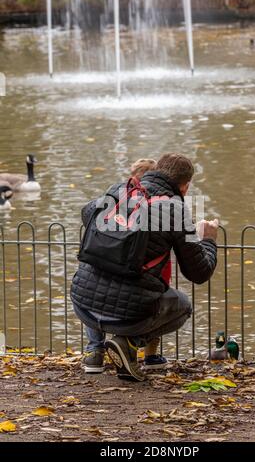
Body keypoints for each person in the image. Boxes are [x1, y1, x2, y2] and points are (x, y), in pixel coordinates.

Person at [71, 153, 218, 382]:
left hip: (83, 303)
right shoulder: (176, 211)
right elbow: (199, 273)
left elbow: (86, 213)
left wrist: (117, 235)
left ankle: (105, 348)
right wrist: (207, 240)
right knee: (183, 306)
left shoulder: (120, 190)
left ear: (156, 171)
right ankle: (129, 341)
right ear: (185, 186)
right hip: (127, 315)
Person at [82, 158, 170, 373]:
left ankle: (94, 352)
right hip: (140, 274)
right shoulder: (158, 206)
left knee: (93, 292)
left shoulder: (115, 198)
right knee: (154, 297)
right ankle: (148, 354)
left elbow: (87, 213)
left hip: (102, 268)